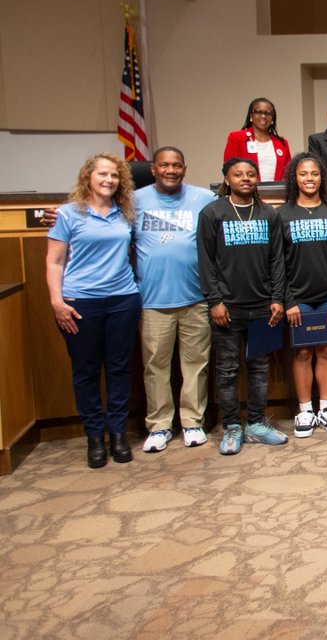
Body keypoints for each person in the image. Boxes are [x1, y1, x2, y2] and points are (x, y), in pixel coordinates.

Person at [46, 153, 142, 468]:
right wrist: (57, 302)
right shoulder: (69, 214)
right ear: (88, 176)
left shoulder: (125, 213)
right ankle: (94, 436)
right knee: (86, 371)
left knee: (119, 369)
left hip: (123, 300)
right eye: (102, 174)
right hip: (79, 303)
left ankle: (117, 433)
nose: (108, 180)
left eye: (114, 176)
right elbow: (54, 261)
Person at [197, 158, 289, 455]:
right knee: (226, 370)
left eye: (251, 174)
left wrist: (277, 298)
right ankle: (233, 426)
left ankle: (257, 424)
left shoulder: (268, 214)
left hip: (263, 306)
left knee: (260, 368)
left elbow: (278, 260)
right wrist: (215, 301)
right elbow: (206, 262)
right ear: (227, 178)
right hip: (227, 308)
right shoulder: (213, 213)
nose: (246, 179)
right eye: (239, 174)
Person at [132, 147, 218, 452]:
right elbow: (95, 208)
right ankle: (159, 426)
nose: (171, 170)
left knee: (196, 364)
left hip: (195, 297)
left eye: (177, 165)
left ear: (185, 168)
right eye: (164, 165)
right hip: (153, 300)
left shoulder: (202, 198)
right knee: (155, 366)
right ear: (153, 169)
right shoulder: (134, 199)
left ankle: (192, 422)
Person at [278, 153, 327, 437]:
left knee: (326, 350)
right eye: (303, 174)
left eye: (315, 174)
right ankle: (305, 410)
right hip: (297, 299)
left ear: (323, 178)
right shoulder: (282, 214)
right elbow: (277, 263)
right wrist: (288, 301)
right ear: (294, 178)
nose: (309, 179)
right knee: (303, 351)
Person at [223, 97, 291, 183]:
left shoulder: (282, 143)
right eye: (259, 112)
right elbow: (229, 168)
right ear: (251, 116)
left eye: (268, 113)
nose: (263, 116)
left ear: (273, 119)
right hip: (246, 192)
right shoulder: (237, 137)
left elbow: (289, 173)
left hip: (276, 193)